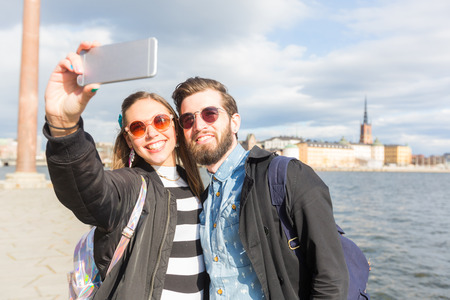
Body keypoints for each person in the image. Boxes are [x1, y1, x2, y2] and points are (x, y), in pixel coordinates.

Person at [44, 42, 208, 299]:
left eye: (160, 121)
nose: (152, 132)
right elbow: (89, 190)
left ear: (175, 127)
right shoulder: (129, 186)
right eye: (139, 128)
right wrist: (63, 126)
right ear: (130, 139)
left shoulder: (198, 187)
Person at [172, 77, 349, 299]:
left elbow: (332, 278)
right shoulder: (205, 199)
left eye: (210, 114)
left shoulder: (286, 175)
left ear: (235, 122)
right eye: (188, 120)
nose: (198, 125)